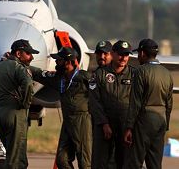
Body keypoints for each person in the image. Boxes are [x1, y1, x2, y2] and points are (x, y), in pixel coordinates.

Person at [30, 46, 92, 169]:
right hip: (67, 122)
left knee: (85, 162)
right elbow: (38, 74)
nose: (56, 63)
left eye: (59, 61)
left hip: (82, 121)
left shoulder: (85, 78)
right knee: (61, 160)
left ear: (68, 62)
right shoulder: (59, 79)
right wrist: (18, 63)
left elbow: (101, 96)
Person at [123, 38, 173, 169]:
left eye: (139, 52)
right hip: (161, 121)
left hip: (145, 120)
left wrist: (129, 127)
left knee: (134, 162)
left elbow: (136, 102)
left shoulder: (141, 71)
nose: (138, 56)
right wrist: (166, 124)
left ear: (143, 53)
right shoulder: (167, 73)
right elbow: (169, 103)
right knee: (155, 163)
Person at [89, 40, 135, 169]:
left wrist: (130, 127)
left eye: (126, 55)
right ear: (113, 54)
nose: (123, 58)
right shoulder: (100, 74)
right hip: (104, 125)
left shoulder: (135, 75)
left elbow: (137, 102)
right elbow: (94, 101)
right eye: (120, 54)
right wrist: (104, 124)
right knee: (100, 162)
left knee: (125, 161)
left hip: (125, 126)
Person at [0, 39, 39, 169]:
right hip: (15, 115)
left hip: (0, 115)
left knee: (12, 155)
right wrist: (25, 103)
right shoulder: (19, 68)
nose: (31, 57)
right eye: (28, 53)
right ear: (18, 54)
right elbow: (28, 84)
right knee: (17, 161)